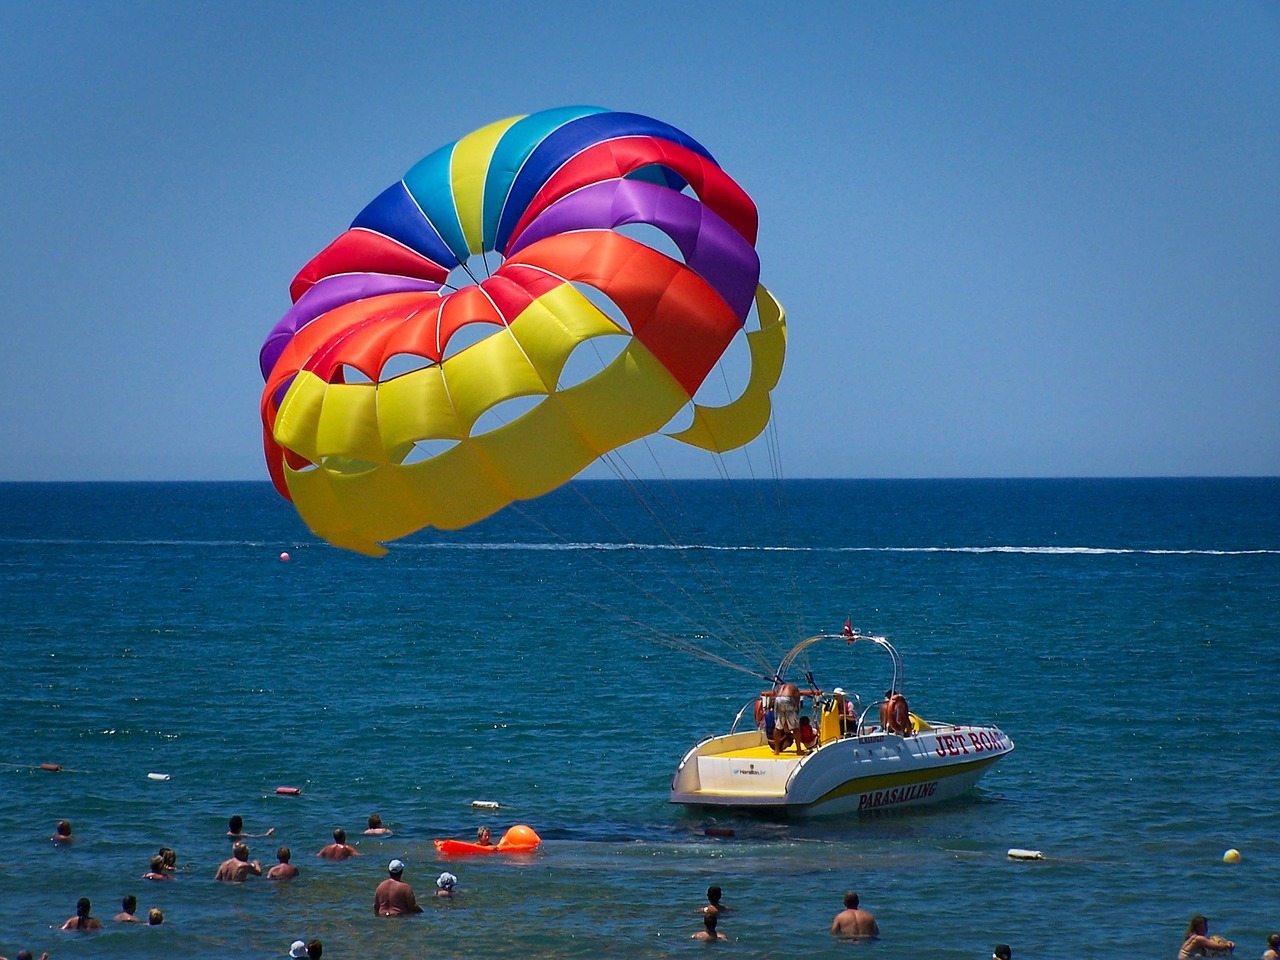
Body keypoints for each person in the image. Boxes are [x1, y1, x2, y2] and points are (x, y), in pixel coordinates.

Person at [769, 681, 821, 754]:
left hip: (778, 699)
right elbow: (796, 704)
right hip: (788, 699)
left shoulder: (781, 688)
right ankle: (799, 750)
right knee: (796, 728)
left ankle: (777, 750)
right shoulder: (795, 689)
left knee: (778, 727)